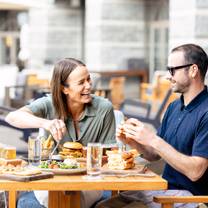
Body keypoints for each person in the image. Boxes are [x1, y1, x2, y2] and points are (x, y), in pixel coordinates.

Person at [96, 43, 208, 208]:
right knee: (103, 206)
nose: (168, 76)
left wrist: (152, 139)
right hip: (164, 189)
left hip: (191, 198)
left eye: (172, 70)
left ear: (193, 70)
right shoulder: (174, 107)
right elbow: (155, 155)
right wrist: (133, 141)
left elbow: (195, 172)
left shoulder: (205, 112)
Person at [5, 57, 116, 208]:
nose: (88, 86)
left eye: (89, 79)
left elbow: (110, 155)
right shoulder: (49, 104)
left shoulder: (104, 108)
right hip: (52, 178)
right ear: (64, 89)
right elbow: (12, 117)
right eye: (81, 82)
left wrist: (87, 155)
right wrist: (46, 123)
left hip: (88, 181)